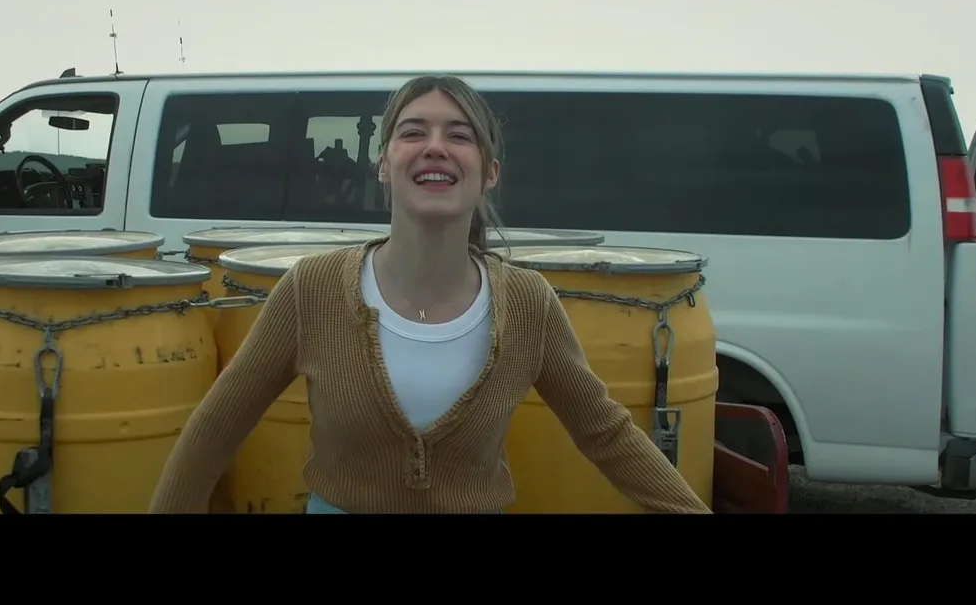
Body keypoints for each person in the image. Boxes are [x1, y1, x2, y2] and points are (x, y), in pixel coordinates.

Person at [148, 75, 712, 515]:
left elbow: (608, 435)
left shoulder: (530, 304)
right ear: (383, 165)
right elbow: (215, 429)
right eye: (413, 132)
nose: (435, 147)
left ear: (490, 172)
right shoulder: (311, 289)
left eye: (459, 135)